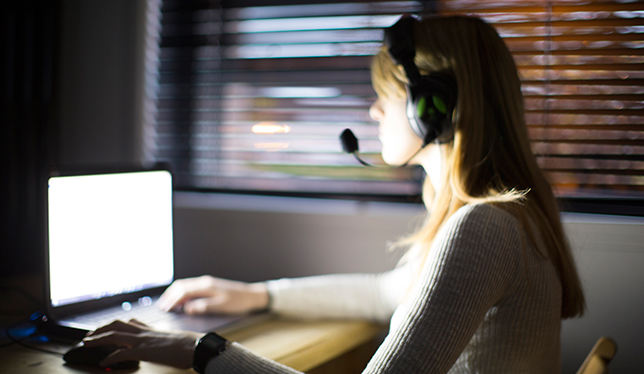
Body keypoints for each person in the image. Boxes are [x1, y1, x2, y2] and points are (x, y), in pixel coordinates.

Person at [82, 15, 586, 373]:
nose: (372, 112)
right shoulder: (507, 217)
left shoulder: (484, 227)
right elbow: (385, 293)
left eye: (384, 97)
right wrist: (257, 295)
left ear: (430, 110)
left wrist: (198, 349)